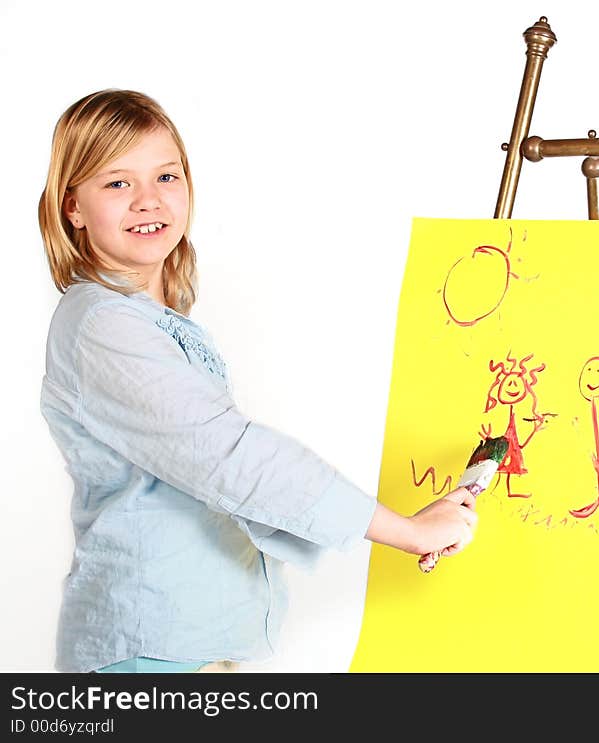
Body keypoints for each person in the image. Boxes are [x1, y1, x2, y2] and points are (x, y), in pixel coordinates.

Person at [37, 89, 478, 674]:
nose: (148, 199)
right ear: (73, 207)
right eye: (117, 183)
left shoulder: (156, 323)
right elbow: (229, 458)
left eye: (166, 175)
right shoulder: (102, 325)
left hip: (195, 645)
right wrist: (407, 531)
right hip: (148, 651)